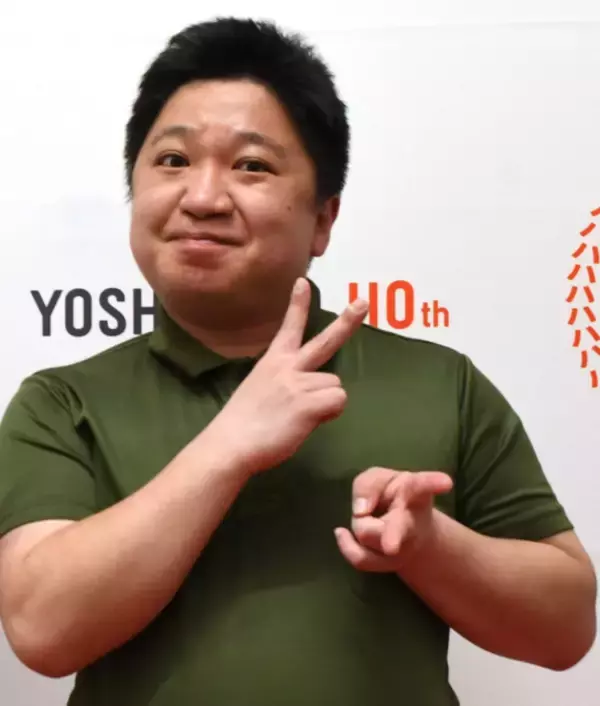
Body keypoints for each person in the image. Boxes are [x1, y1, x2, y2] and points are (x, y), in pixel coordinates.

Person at [0, 16, 596, 706]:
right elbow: (41, 630)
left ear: (323, 219)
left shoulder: (441, 384)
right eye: (173, 160)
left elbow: (566, 630)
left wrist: (433, 547)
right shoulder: (62, 403)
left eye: (251, 165)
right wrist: (230, 445)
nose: (202, 197)